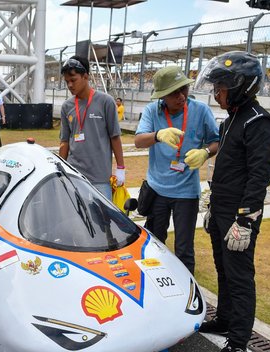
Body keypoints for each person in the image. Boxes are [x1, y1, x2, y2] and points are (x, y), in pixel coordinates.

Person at [195, 51, 270, 352]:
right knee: (223, 271)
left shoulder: (259, 123)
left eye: (221, 87)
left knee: (240, 277)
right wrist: (213, 207)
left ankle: (239, 343)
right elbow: (228, 169)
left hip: (239, 217)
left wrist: (245, 220)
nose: (216, 93)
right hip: (221, 211)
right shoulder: (232, 119)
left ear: (241, 86)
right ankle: (226, 319)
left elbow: (259, 176)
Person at [134, 66, 219, 275]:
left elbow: (217, 141)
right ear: (162, 96)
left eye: (184, 89)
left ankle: (186, 290)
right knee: (154, 243)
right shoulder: (152, 111)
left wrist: (205, 152)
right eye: (174, 93)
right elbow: (138, 140)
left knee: (184, 248)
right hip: (157, 189)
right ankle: (155, 281)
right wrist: (158, 135)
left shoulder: (200, 110)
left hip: (186, 193)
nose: (181, 96)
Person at [59, 55, 125, 201]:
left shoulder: (105, 102)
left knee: (102, 222)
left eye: (73, 80)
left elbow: (114, 136)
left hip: (99, 178)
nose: (70, 85)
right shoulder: (66, 106)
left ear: (86, 76)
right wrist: (60, 170)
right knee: (76, 220)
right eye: (67, 82)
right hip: (74, 175)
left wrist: (121, 168)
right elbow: (64, 141)